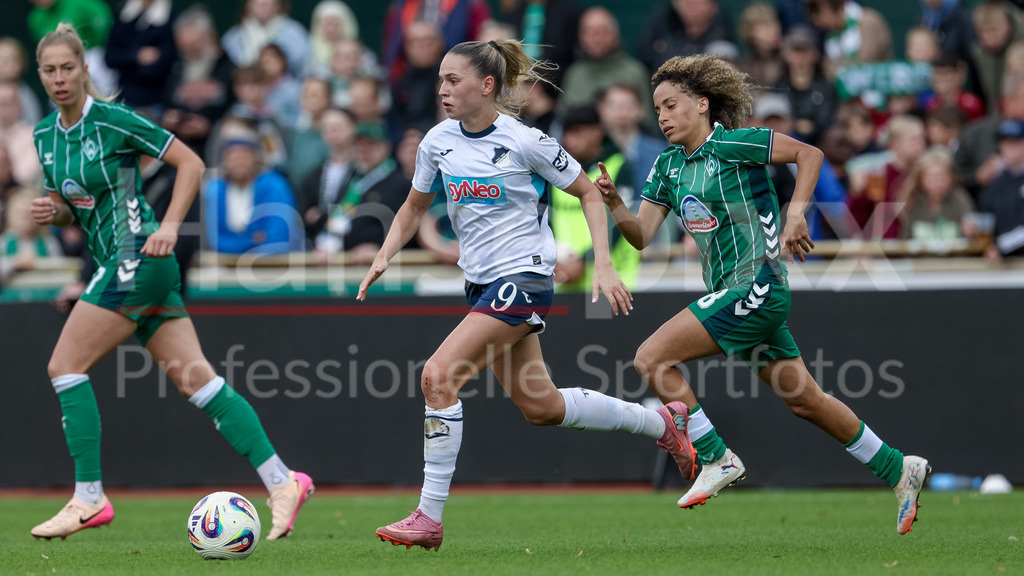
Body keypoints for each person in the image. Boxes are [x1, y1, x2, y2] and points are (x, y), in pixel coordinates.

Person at [359, 38, 696, 551]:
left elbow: (587, 192)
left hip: (523, 279)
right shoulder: (436, 142)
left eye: (455, 80)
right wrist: (385, 252)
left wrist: (603, 264)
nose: (443, 89)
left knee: (437, 375)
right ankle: (661, 422)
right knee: (541, 405)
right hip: (481, 284)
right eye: (442, 80)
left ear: (487, 85)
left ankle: (428, 516)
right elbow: (412, 206)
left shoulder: (526, 141)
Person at [594, 54, 929, 534]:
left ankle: (716, 457)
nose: (662, 116)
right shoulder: (668, 168)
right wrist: (615, 204)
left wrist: (796, 213)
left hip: (758, 285)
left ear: (703, 103)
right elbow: (642, 235)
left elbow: (808, 155)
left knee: (651, 359)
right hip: (736, 296)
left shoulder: (736, 143)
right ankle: (899, 468)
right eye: (658, 109)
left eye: (671, 105)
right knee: (805, 399)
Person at [28, 24, 314, 541]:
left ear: (86, 69)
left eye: (68, 67)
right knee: (198, 382)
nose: (59, 78)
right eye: (49, 70)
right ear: (41, 75)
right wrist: (56, 214)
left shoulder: (114, 119)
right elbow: (76, 208)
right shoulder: (44, 135)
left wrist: (168, 225)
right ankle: (283, 480)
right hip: (116, 262)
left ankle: (89, 497)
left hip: (137, 255)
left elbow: (191, 162)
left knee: (64, 365)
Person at [550, 105, 638, 291]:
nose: (569, 140)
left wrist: (585, 261)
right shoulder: (556, 173)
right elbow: (548, 219)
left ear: (597, 133)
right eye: (567, 133)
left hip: (612, 280)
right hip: (565, 280)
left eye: (577, 132)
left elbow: (622, 223)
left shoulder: (618, 166)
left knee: (602, 319)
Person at [203, 131, 303, 254]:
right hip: (228, 262)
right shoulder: (216, 189)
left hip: (274, 263)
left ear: (256, 159)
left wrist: (240, 246)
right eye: (233, 158)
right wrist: (252, 241)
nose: (239, 163)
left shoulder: (274, 186)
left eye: (245, 157)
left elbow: (279, 237)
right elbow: (215, 240)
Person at [558, 7, 654, 128]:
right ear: (581, 37)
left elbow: (649, 124)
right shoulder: (574, 74)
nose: (598, 39)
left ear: (615, 35)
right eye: (591, 32)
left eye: (603, 32)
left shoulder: (635, 72)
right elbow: (561, 122)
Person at [897, 146, 975, 241]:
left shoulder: (960, 200)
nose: (938, 183)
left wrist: (971, 231)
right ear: (921, 180)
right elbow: (905, 239)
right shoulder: (914, 202)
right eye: (933, 178)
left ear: (952, 177)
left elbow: (971, 237)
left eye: (943, 177)